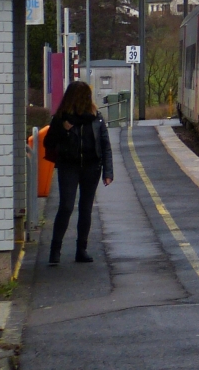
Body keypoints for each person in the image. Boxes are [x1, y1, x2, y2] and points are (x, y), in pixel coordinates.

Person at [43, 81, 113, 266]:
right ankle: (55, 250)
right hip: (69, 166)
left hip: (92, 167)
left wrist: (108, 171)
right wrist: (63, 130)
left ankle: (81, 249)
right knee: (66, 206)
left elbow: (105, 145)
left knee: (85, 208)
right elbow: (48, 143)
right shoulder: (61, 119)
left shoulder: (96, 117)